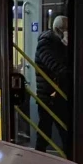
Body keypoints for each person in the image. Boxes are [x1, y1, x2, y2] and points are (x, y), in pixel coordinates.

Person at [34, 15, 70, 154]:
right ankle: (39, 157)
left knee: (58, 130)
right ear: (58, 30)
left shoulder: (57, 43)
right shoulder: (46, 43)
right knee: (46, 131)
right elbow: (54, 65)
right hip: (49, 94)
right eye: (66, 30)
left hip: (57, 93)